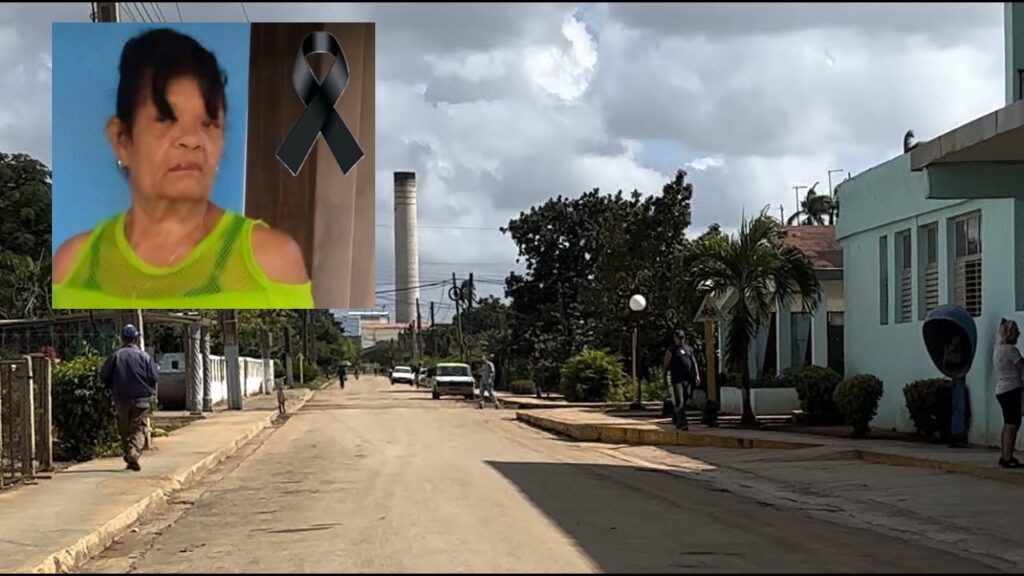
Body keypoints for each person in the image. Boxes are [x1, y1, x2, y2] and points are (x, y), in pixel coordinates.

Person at [52, 28, 313, 309]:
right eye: (165, 119)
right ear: (121, 139)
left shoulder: (272, 260)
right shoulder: (72, 266)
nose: (192, 140)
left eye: (209, 123)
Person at [100, 324, 159, 472]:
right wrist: (150, 390)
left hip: (121, 399)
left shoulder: (116, 356)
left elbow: (104, 376)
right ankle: (133, 453)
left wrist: (113, 386)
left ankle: (129, 455)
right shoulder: (145, 357)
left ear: (123, 338)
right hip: (142, 399)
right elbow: (154, 377)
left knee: (124, 429)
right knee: (139, 428)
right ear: (136, 338)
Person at [994, 318, 1024, 469]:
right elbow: (1022, 366)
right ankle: (1007, 457)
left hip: (1002, 389)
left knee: (1008, 423)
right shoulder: (1011, 351)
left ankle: (1006, 455)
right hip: (1011, 388)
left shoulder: (998, 349)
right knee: (1012, 424)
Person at [663, 329, 701, 430]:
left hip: (687, 379)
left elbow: (694, 362)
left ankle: (676, 418)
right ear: (675, 338)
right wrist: (664, 377)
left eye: (682, 338)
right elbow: (666, 365)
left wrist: (697, 375)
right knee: (680, 401)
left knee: (686, 400)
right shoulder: (672, 350)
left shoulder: (689, 349)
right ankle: (683, 423)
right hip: (677, 379)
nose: (680, 340)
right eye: (678, 338)